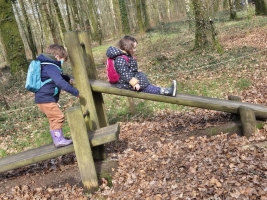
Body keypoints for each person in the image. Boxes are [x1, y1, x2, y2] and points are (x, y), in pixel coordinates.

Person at [35, 44, 79, 148]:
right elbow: (59, 82)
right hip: (46, 99)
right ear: (57, 57)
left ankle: (57, 139)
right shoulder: (51, 66)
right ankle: (59, 140)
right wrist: (76, 92)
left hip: (42, 99)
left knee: (53, 119)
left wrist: (67, 78)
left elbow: (58, 76)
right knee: (58, 117)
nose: (62, 63)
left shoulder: (46, 65)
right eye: (62, 61)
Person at [106, 35, 177, 96]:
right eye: (133, 48)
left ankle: (163, 90)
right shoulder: (120, 59)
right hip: (125, 84)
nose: (135, 50)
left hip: (128, 81)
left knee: (146, 84)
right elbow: (125, 74)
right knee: (146, 88)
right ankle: (167, 92)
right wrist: (134, 84)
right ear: (126, 47)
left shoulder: (125, 56)